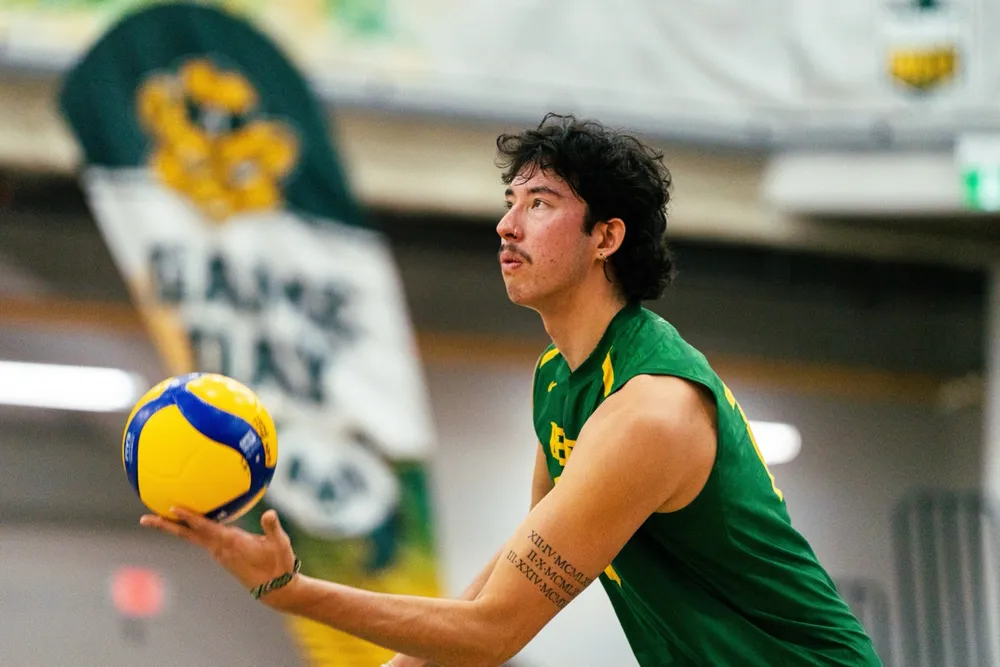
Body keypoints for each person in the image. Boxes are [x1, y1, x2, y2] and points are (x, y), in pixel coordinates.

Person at [142, 114, 882, 667]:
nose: (506, 223)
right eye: (509, 200)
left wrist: (292, 590)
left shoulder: (649, 411)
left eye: (540, 203)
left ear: (606, 237)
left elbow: (496, 630)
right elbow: (514, 565)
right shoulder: (558, 378)